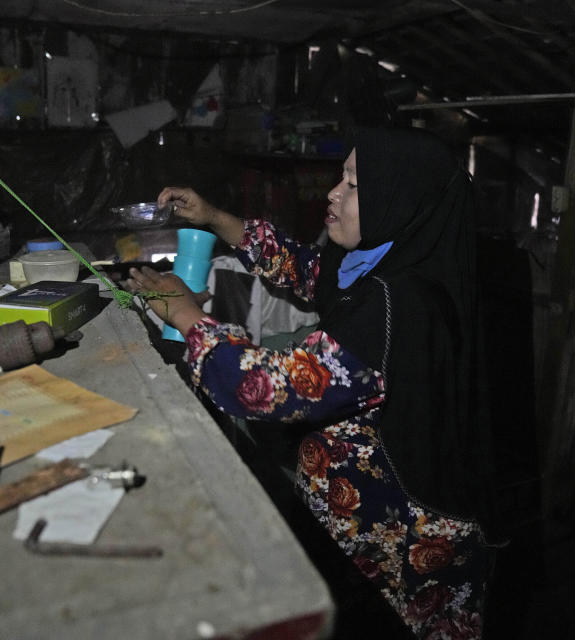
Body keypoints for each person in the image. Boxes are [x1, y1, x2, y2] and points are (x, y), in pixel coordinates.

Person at [125, 126, 498, 639]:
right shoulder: (381, 265)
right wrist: (214, 218)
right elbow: (306, 268)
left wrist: (188, 315)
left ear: (398, 197)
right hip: (359, 529)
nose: (332, 193)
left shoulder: (398, 305)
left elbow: (264, 388)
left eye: (352, 184)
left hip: (401, 553)